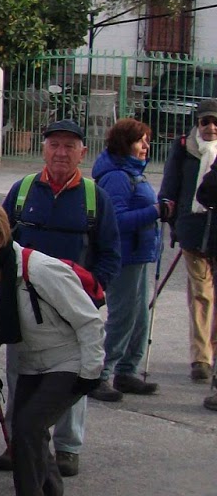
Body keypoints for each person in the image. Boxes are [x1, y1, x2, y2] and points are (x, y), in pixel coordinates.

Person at [0, 200, 105, 496]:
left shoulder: (40, 269)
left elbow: (89, 321)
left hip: (68, 360)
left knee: (26, 427)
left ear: (0, 234)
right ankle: (52, 495)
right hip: (30, 362)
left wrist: (90, 373)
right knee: (26, 429)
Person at [0, 119, 120, 478]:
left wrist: (90, 291)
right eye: (54, 144)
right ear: (43, 149)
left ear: (83, 152)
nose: (61, 152)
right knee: (20, 374)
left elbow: (111, 254)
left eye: (70, 146)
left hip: (72, 308)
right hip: (25, 304)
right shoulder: (21, 191)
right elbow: (0, 243)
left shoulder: (94, 196)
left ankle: (67, 447)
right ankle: (16, 441)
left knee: (69, 378)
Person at [90, 118, 161, 400]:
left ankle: (127, 370)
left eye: (146, 140)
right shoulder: (118, 176)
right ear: (124, 143)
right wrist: (155, 212)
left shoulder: (131, 171)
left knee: (140, 315)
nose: (146, 145)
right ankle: (101, 374)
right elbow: (115, 220)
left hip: (139, 254)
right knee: (123, 316)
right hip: (125, 256)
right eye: (139, 140)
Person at [157, 97, 217, 382]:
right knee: (201, 294)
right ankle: (201, 358)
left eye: (216, 122)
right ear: (197, 123)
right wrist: (171, 218)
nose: (212, 127)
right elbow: (170, 186)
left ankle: (212, 350)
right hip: (192, 229)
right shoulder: (184, 148)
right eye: (206, 121)